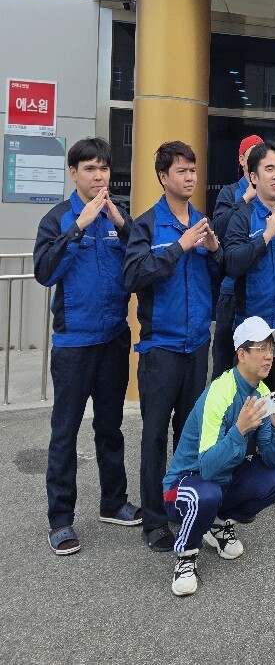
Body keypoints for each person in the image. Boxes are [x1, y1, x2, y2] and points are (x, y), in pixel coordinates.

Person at [33, 137, 141, 555]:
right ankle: (60, 519)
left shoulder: (117, 215)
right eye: (90, 169)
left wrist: (121, 223)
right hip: (74, 342)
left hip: (113, 337)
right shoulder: (58, 218)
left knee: (110, 427)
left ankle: (113, 502)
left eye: (104, 169)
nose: (99, 177)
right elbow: (45, 271)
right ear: (73, 172)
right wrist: (79, 226)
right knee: (65, 431)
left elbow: (139, 258)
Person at [123, 141, 223, 552]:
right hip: (161, 346)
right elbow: (133, 276)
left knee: (189, 433)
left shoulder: (202, 222)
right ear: (163, 177)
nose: (189, 177)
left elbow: (218, 279)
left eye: (192, 170)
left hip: (196, 344)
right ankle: (153, 520)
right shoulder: (147, 225)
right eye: (181, 171)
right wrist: (179, 248)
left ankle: (183, 505)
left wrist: (214, 252)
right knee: (155, 437)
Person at [162, 316, 275, 597]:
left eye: (271, 349)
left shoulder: (263, 392)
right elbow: (206, 467)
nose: (269, 356)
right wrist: (239, 430)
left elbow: (271, 461)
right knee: (206, 494)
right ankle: (186, 557)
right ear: (241, 354)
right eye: (261, 349)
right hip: (183, 485)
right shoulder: (220, 392)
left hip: (221, 480)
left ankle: (217, 524)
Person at [223, 141, 275, 514]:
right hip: (251, 332)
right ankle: (242, 474)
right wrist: (267, 234)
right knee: (248, 403)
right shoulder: (243, 217)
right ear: (253, 177)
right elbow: (232, 263)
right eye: (268, 169)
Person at [210, 134, 263, 380]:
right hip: (231, 289)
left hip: (259, 292)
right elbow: (217, 228)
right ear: (242, 160)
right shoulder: (230, 192)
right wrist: (244, 199)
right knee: (224, 358)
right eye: (252, 155)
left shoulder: (271, 195)